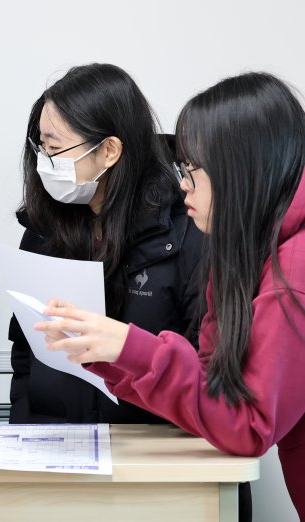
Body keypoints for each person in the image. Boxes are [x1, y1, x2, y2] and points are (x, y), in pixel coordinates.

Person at [37, 72, 305, 519]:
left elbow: (250, 424)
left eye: (192, 170)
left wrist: (130, 347)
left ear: (241, 171)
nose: (183, 185)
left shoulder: (293, 271)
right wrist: (112, 351)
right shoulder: (242, 248)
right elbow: (214, 382)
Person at [10, 63, 205, 425]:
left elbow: (208, 367)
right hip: (55, 451)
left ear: (110, 151)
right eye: (41, 146)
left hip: (156, 454)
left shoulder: (187, 227)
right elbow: (26, 354)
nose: (44, 162)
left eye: (55, 148)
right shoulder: (43, 229)